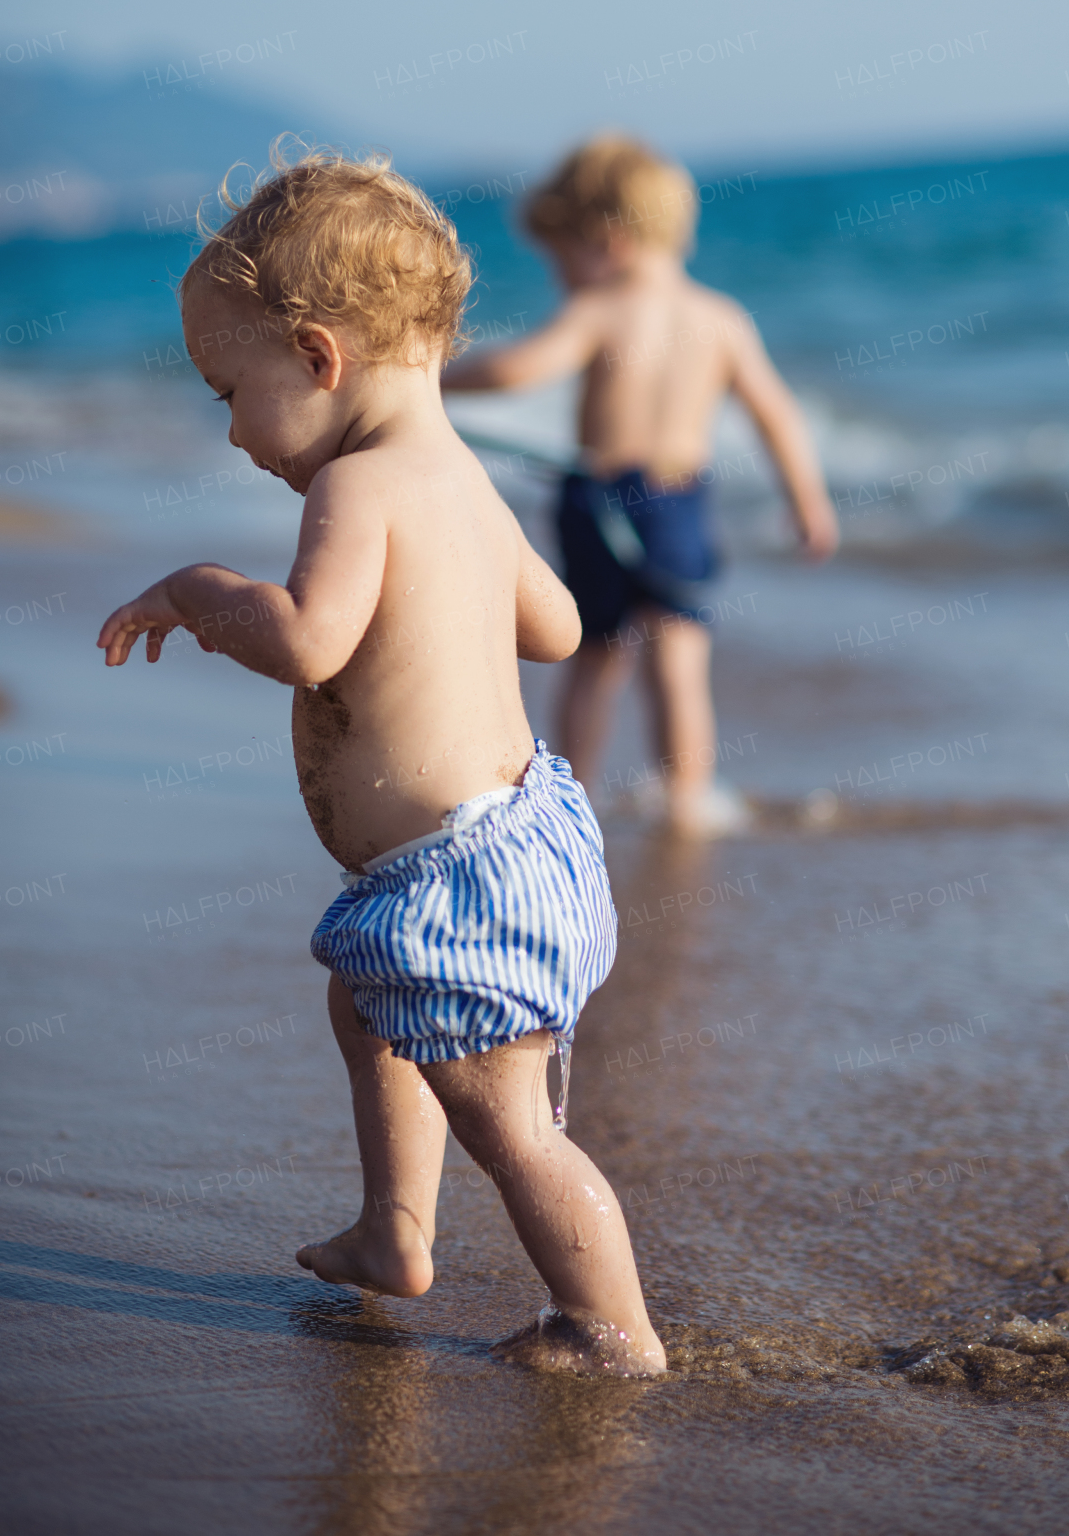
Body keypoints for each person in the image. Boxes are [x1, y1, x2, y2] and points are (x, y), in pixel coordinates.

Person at [96, 147, 665, 1376]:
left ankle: (609, 1331)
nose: (237, 432)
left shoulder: (354, 486)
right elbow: (559, 626)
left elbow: (309, 644)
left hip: (459, 876)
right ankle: (394, 1229)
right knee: (368, 1008)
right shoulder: (461, 479)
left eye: (228, 393)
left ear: (316, 357)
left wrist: (201, 591)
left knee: (508, 1126)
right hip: (513, 844)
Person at [443, 135, 839, 836]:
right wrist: (808, 502)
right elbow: (775, 411)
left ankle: (574, 798)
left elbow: (518, 369)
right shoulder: (722, 318)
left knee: (594, 656)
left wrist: (426, 379)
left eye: (562, 257)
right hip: (678, 501)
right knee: (680, 657)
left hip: (598, 503)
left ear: (607, 240)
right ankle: (688, 797)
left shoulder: (599, 309)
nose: (562, 276)